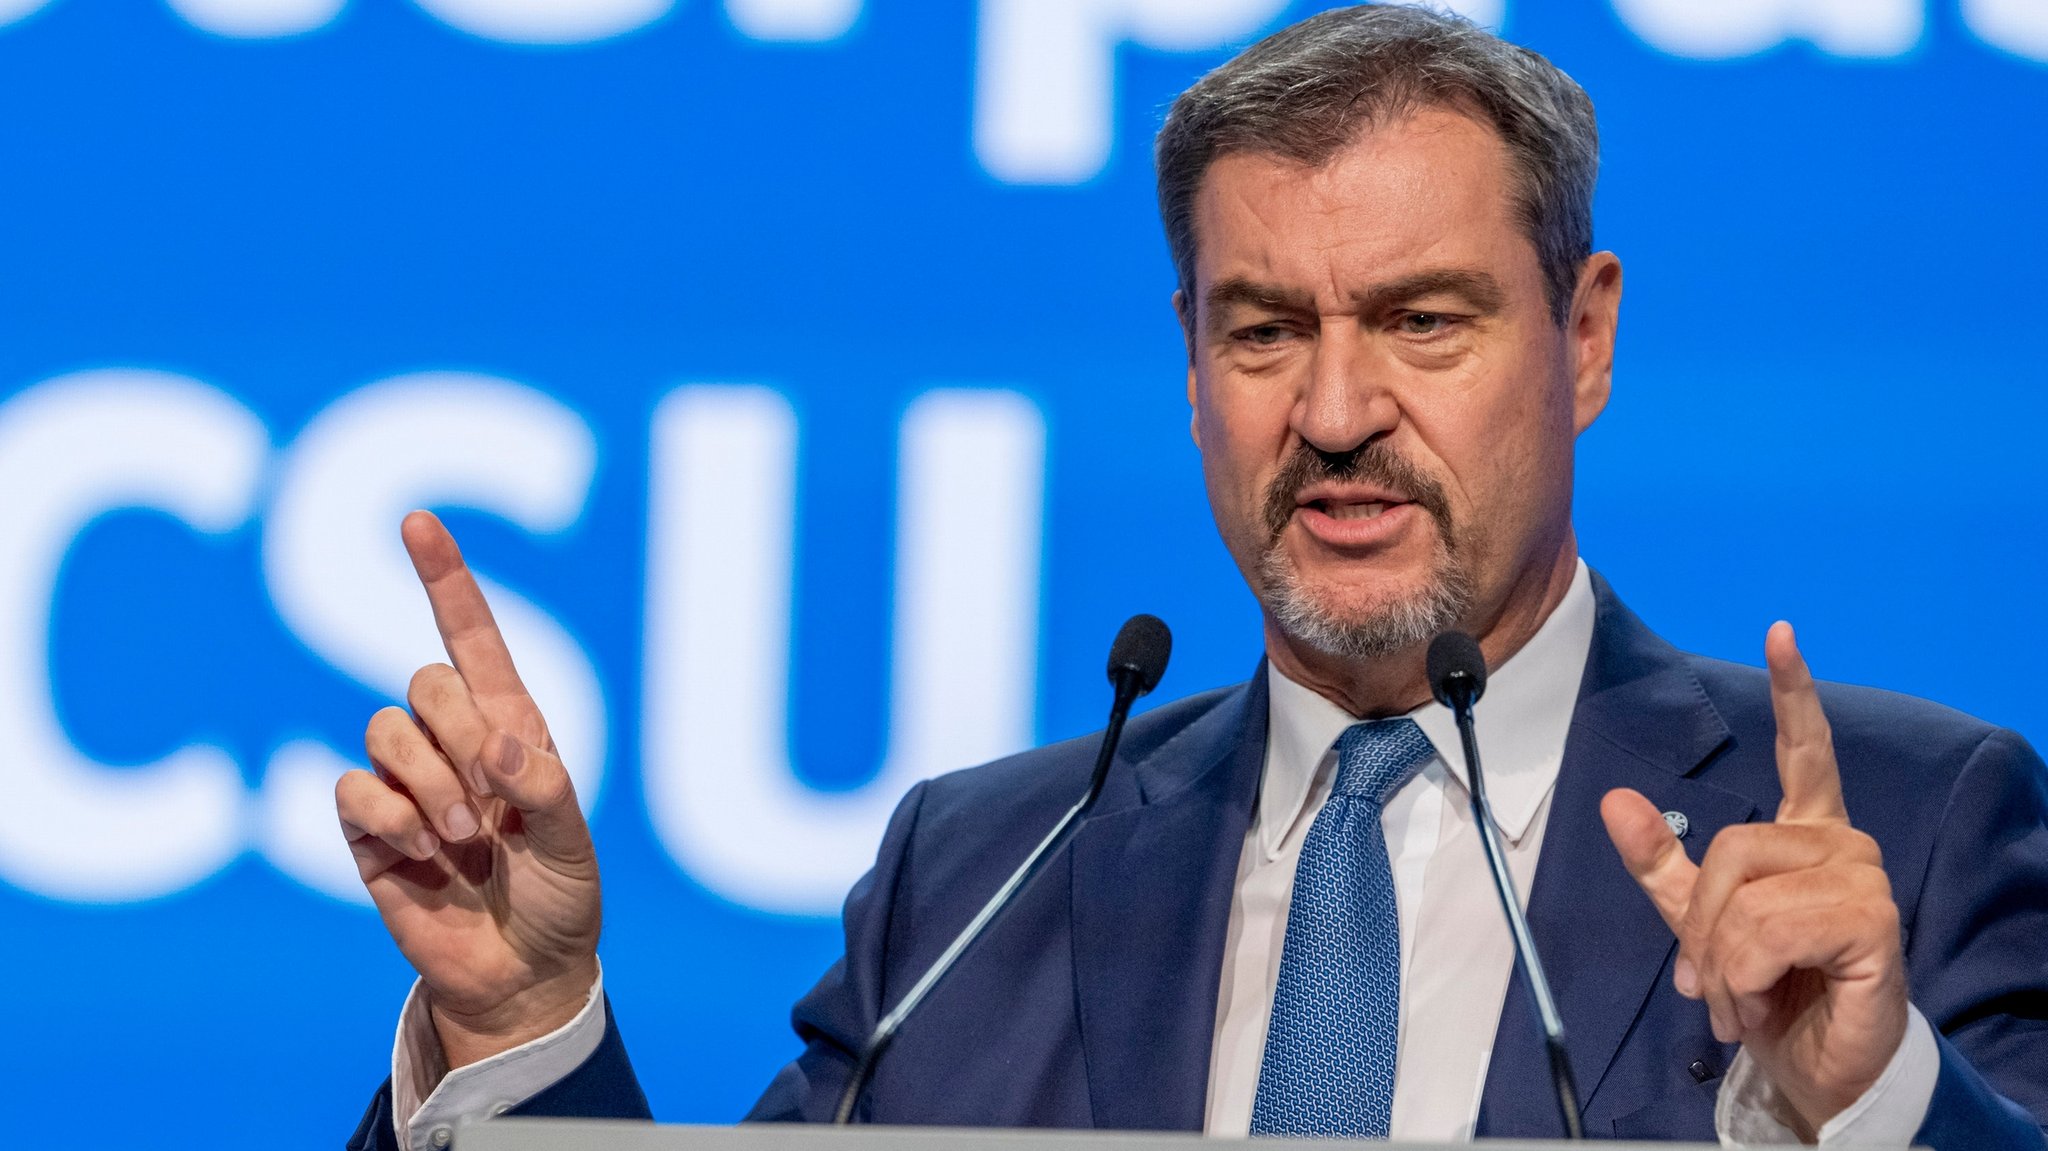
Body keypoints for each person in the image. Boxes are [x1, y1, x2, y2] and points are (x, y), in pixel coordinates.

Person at [339, 7, 2048, 1150]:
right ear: (1189, 357)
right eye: (1265, 330)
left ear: (1584, 338)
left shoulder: (1910, 828)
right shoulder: (982, 876)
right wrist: (526, 1022)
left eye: (1422, 321)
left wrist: (1879, 1101)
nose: (1333, 412)